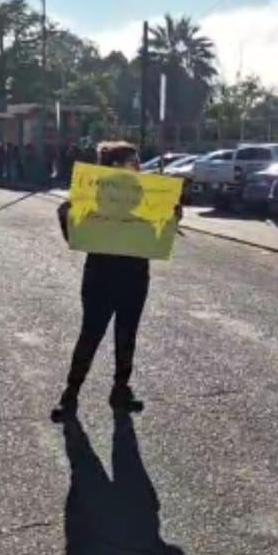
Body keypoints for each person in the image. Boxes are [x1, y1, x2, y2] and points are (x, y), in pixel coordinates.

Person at [51, 141, 181, 420]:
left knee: (127, 336)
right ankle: (70, 394)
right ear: (113, 167)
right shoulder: (91, 201)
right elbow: (75, 236)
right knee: (90, 335)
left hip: (135, 276)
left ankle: (121, 390)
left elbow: (158, 236)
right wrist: (67, 216)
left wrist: (171, 216)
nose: (137, 166)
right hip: (100, 276)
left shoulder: (143, 199)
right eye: (132, 162)